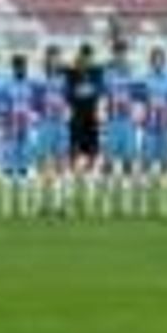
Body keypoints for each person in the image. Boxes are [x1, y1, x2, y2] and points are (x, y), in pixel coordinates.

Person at [101, 41, 139, 217]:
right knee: (108, 162)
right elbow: (101, 93)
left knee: (128, 162)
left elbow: (139, 94)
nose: (120, 56)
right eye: (117, 53)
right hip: (112, 122)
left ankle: (127, 203)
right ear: (113, 54)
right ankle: (107, 203)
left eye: (122, 53)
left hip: (127, 123)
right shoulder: (107, 73)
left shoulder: (131, 72)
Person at [139, 46, 167, 217]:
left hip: (164, 128)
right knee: (146, 165)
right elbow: (138, 102)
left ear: (164, 61)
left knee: (165, 165)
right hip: (148, 128)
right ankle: (144, 204)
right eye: (155, 59)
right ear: (151, 61)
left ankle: (164, 203)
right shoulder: (144, 80)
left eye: (161, 59)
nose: (158, 62)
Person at [0, 55, 37, 218]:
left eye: (22, 66)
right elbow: (2, 110)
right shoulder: (6, 86)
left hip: (26, 132)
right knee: (7, 168)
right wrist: (5, 129)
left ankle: (23, 205)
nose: (20, 69)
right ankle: (6, 206)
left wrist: (32, 119)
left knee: (24, 169)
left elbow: (36, 108)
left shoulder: (31, 85)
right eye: (17, 66)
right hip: (10, 132)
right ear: (13, 68)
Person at [66, 44, 103, 214]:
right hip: (77, 122)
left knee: (92, 160)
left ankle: (89, 200)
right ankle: (69, 200)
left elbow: (97, 92)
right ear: (79, 57)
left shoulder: (96, 74)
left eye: (89, 56)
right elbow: (71, 94)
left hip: (91, 121)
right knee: (73, 160)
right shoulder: (71, 75)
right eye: (83, 56)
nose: (86, 60)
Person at [35, 46, 72, 215]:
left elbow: (71, 100)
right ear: (47, 60)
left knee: (61, 164)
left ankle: (59, 205)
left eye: (57, 58)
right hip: (45, 125)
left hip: (60, 126)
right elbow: (34, 103)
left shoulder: (65, 80)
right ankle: (41, 203)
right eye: (52, 58)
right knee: (43, 163)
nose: (55, 61)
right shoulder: (39, 81)